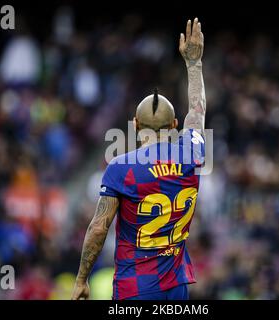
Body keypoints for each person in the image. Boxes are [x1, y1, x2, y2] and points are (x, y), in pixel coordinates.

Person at [72, 17, 206, 300]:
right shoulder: (192, 153)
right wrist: (194, 64)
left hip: (135, 287)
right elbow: (198, 111)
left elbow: (99, 227)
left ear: (134, 124)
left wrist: (82, 279)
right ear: (174, 125)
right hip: (176, 287)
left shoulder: (121, 168)